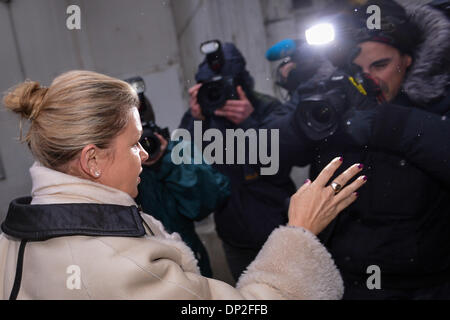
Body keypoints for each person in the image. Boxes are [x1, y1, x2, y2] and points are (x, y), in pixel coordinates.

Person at [0, 70, 367, 300]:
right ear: (92, 160)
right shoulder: (123, 266)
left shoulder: (14, 240)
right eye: (133, 144)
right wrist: (299, 235)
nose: (144, 155)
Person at [270, 0, 450, 299]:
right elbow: (263, 151)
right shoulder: (330, 92)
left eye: (380, 65)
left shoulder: (437, 98)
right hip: (343, 281)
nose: (369, 78)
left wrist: (389, 123)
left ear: (407, 60)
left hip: (423, 288)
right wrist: (309, 119)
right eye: (357, 69)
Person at [179, 43, 299, 282]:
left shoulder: (266, 108)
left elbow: (282, 162)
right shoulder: (199, 118)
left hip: (280, 231)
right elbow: (187, 169)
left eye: (225, 84)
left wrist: (249, 122)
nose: (220, 92)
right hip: (234, 238)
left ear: (241, 81)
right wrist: (198, 121)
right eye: (211, 86)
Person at [133, 90, 231, 277]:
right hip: (143, 265)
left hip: (188, 258)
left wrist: (167, 161)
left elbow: (206, 203)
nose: (145, 147)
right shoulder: (117, 163)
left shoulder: (178, 151)